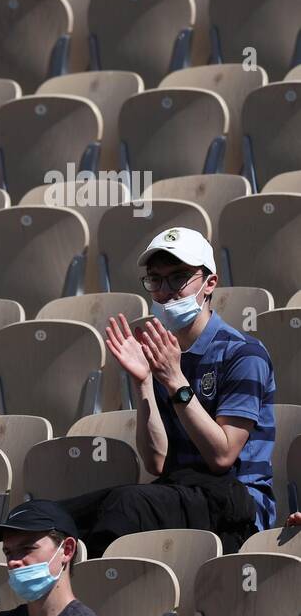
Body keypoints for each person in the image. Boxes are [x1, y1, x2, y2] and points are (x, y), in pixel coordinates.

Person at [64, 227, 276, 554]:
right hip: (179, 492)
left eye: (178, 278)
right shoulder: (165, 354)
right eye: (156, 280)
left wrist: (175, 380)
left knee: (127, 505)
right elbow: (158, 462)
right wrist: (145, 383)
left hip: (237, 503)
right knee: (51, 519)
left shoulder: (243, 354)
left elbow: (222, 456)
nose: (166, 291)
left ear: (209, 284)